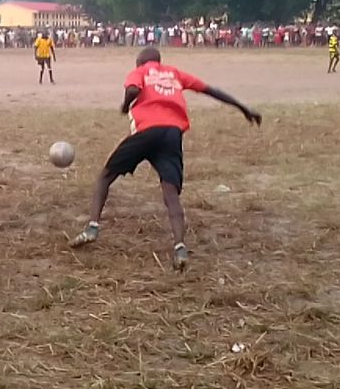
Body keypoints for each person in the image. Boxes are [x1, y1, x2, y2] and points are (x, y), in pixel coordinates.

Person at [69, 47, 262, 270]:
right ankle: (180, 247)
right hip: (172, 133)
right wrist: (243, 108)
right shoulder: (175, 74)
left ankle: (92, 228)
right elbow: (211, 90)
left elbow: (132, 89)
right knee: (170, 193)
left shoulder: (140, 72)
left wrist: (125, 105)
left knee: (105, 176)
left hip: (146, 132)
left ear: (140, 62)